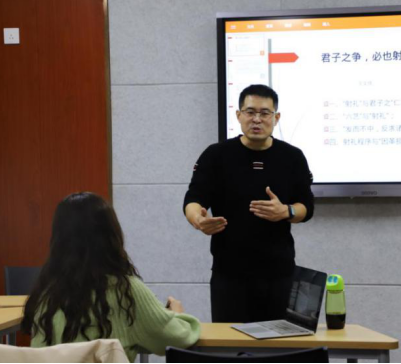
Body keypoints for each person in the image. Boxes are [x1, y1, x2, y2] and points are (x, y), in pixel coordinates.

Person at [184, 84, 315, 323]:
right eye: (250, 112)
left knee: (281, 342)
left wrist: (286, 211)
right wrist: (198, 219)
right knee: (231, 342)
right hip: (229, 275)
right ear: (238, 115)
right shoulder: (216, 155)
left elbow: (307, 207)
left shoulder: (292, 157)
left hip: (279, 274)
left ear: (276, 118)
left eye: (264, 113)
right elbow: (193, 198)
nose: (257, 119)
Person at [22, 192, 200, 363]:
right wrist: (177, 315)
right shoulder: (126, 292)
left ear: (58, 240)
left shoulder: (46, 295)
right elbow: (177, 339)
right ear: (111, 235)